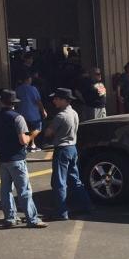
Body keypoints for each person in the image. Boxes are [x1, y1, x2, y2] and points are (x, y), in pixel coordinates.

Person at [0, 89, 46, 228]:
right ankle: (32, 219)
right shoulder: (18, 118)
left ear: (1, 101)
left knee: (5, 189)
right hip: (17, 158)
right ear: (14, 103)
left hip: (2, 158)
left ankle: (10, 217)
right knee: (24, 190)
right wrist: (33, 135)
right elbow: (23, 140)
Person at [43, 88, 93, 220]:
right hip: (72, 148)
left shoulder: (60, 116)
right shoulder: (74, 113)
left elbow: (48, 133)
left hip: (62, 149)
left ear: (64, 100)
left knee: (59, 182)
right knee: (75, 179)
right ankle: (86, 205)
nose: (54, 101)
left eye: (57, 99)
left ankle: (61, 211)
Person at [15, 74, 46, 151]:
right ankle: (28, 141)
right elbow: (38, 101)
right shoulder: (33, 88)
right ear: (28, 79)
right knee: (38, 128)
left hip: (21, 113)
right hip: (33, 113)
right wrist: (43, 111)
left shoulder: (18, 89)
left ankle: (32, 145)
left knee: (26, 129)